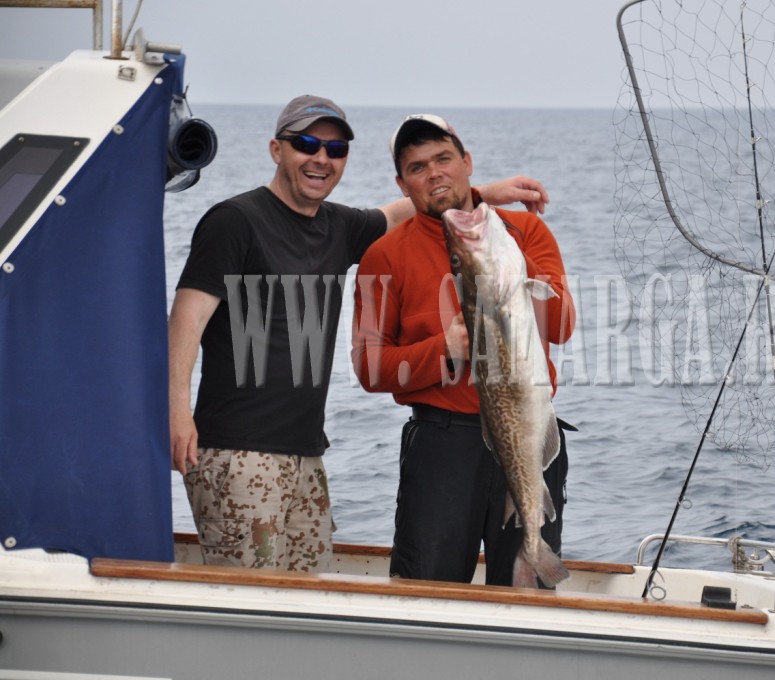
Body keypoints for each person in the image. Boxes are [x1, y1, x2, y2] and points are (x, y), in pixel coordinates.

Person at [169, 96, 550, 573]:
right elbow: (186, 319)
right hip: (237, 452)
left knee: (308, 599)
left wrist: (482, 193)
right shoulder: (235, 221)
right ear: (276, 149)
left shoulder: (338, 226)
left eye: (336, 149)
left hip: (307, 455)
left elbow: (400, 212)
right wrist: (177, 411)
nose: (321, 158)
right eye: (306, 144)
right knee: (252, 599)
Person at [351, 114, 576, 586]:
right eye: (417, 167)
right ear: (402, 184)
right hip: (442, 445)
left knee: (527, 599)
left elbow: (562, 327)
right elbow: (370, 368)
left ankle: (532, 572)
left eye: (443, 159)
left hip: (530, 433)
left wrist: (510, 261)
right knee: (426, 590)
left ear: (467, 162)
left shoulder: (525, 232)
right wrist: (445, 349)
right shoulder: (384, 255)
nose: (434, 173)